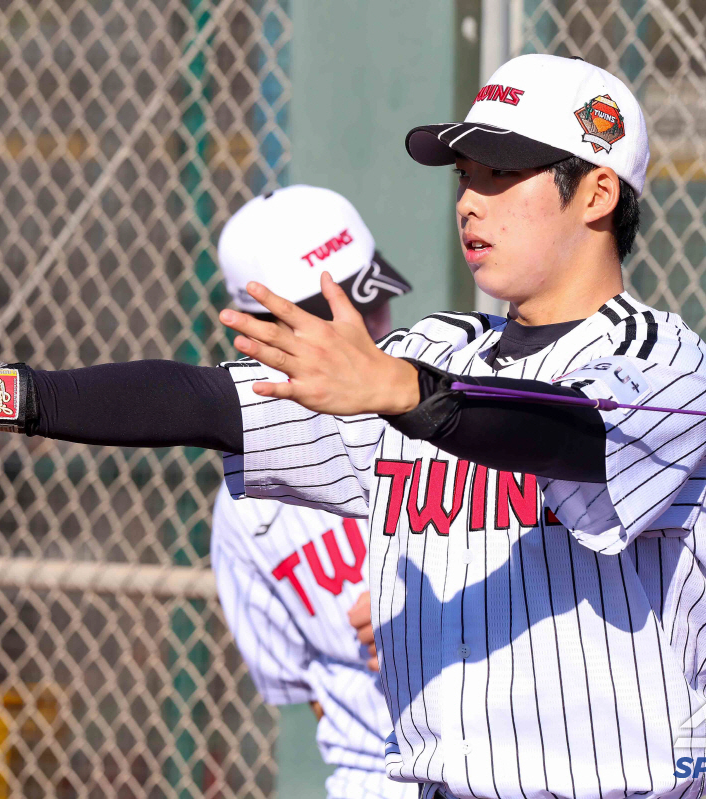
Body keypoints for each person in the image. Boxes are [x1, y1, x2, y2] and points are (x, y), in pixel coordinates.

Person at [0, 54, 706, 799]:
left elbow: (569, 435)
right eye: (465, 174)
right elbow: (207, 402)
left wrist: (404, 391)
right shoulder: (432, 349)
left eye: (502, 173)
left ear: (596, 191)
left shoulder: (664, 361)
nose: (471, 200)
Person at [210, 185, 412, 799]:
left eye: (372, 304)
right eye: (337, 316)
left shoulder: (457, 411)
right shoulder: (245, 509)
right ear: (261, 332)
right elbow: (304, 688)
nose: (369, 329)